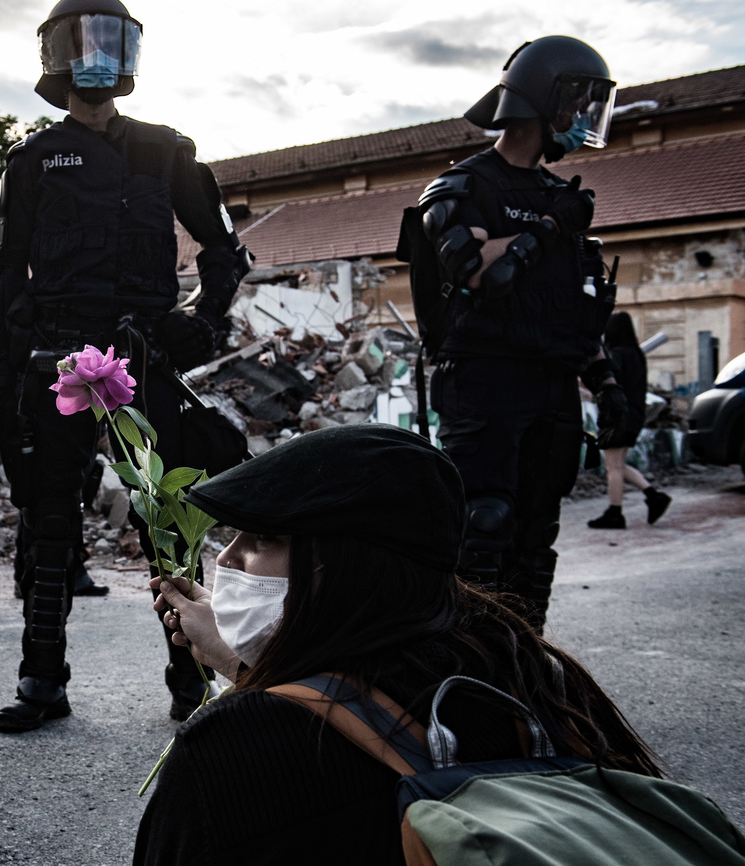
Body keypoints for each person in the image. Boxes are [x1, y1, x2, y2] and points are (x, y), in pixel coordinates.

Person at [136, 424, 663, 864]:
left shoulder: (230, 750)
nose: (226, 560)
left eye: (263, 538)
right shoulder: (532, 678)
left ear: (343, 565)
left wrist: (248, 695)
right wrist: (241, 662)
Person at [0, 0, 251, 731]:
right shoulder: (33, 158)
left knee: (166, 515)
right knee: (48, 520)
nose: (98, 53)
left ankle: (190, 678)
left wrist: (206, 319)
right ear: (55, 56)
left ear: (131, 52)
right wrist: (9, 381)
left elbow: (225, 249)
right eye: (84, 39)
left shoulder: (168, 149)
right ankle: (42, 682)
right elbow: (7, 279)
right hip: (61, 358)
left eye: (113, 38)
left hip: (146, 355)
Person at [416, 35, 628, 629]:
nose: (583, 120)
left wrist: (606, 381)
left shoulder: (563, 198)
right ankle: (464, 664)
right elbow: (480, 272)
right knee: (483, 523)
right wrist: (548, 227)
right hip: (485, 381)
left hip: (555, 384)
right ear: (543, 99)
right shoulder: (463, 186)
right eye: (579, 102)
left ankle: (522, 659)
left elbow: (578, 306)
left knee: (537, 537)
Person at [588, 311, 672, 529]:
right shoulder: (636, 355)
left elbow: (608, 383)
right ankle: (653, 496)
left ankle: (615, 513)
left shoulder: (616, 354)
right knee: (618, 464)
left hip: (616, 415)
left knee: (613, 467)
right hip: (634, 415)